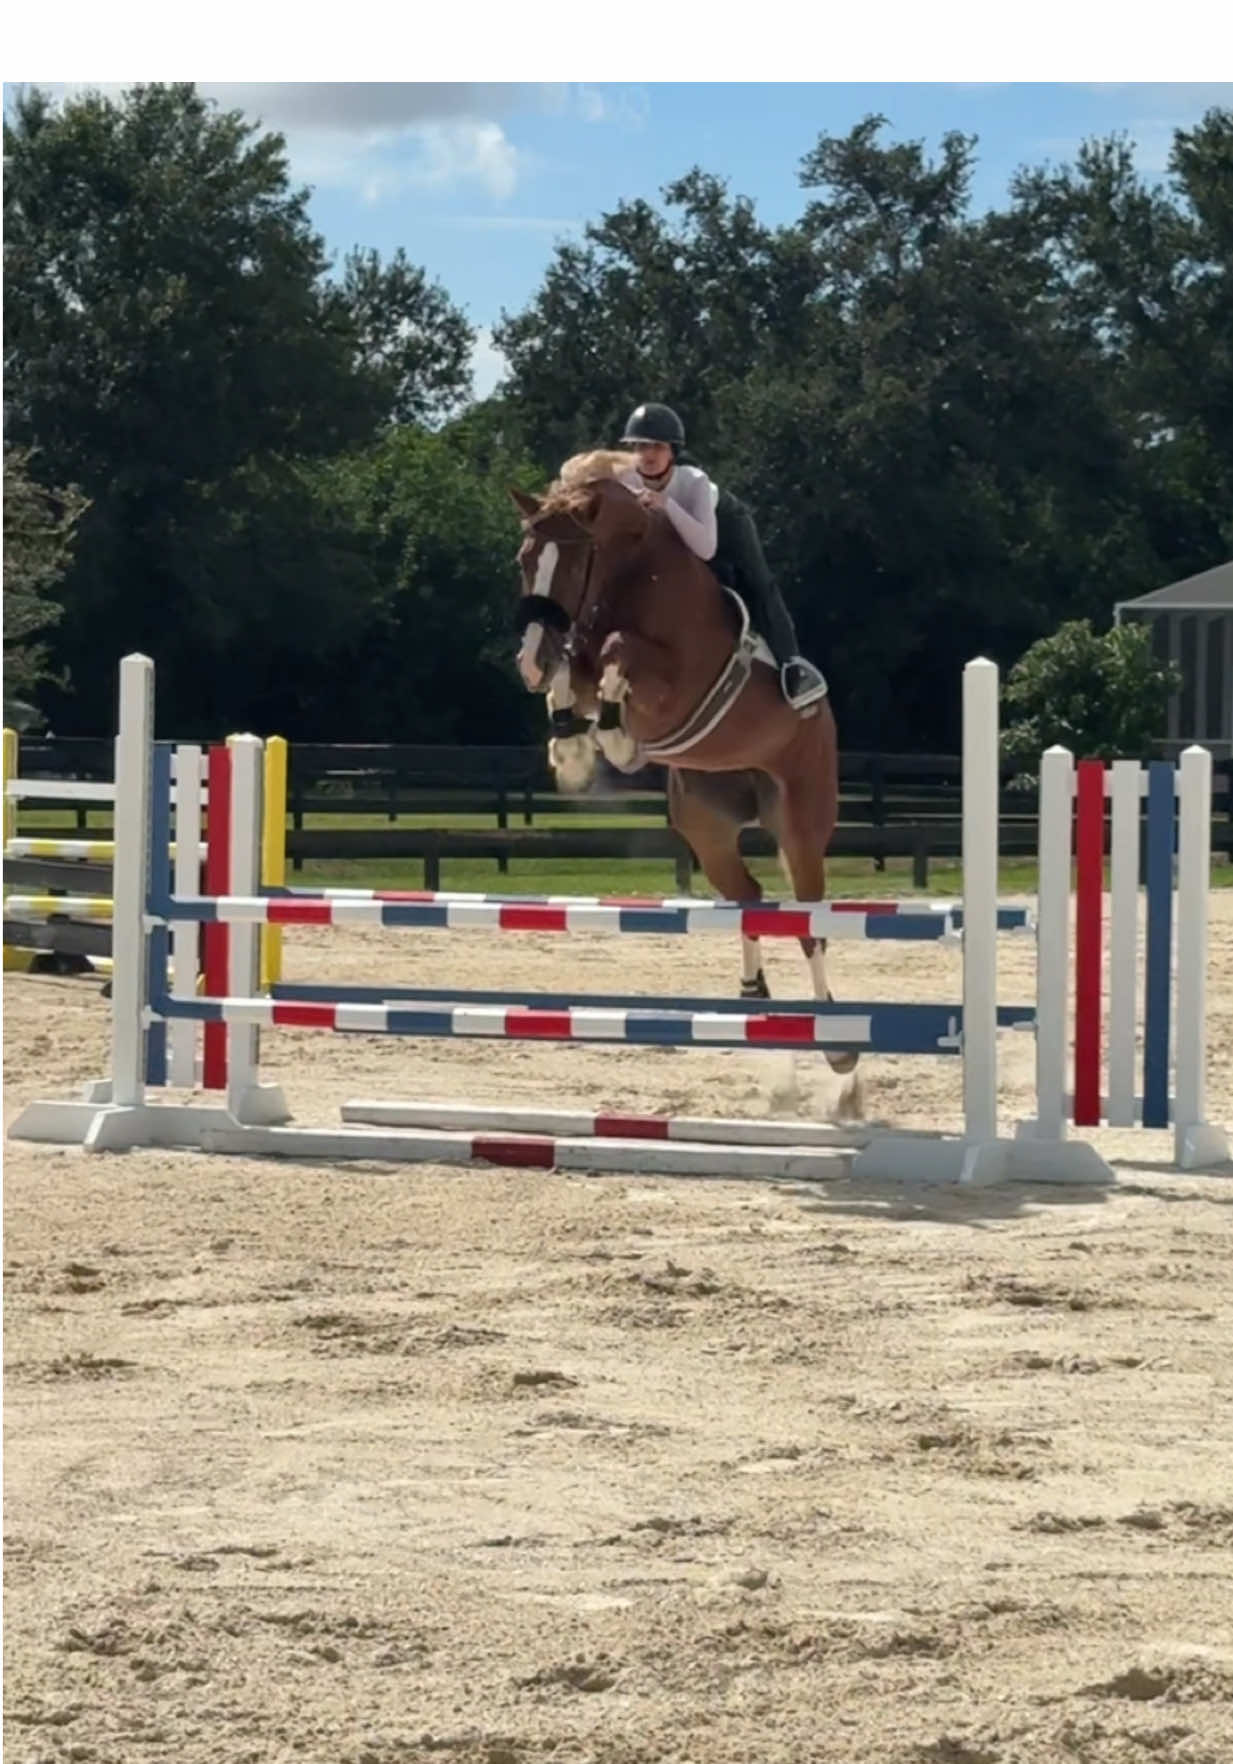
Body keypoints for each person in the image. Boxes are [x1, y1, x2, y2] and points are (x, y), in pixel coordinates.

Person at [617, 401, 828, 711]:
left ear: (672, 451)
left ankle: (792, 666)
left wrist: (665, 504)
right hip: (678, 535)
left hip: (725, 529)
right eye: (638, 446)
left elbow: (706, 548)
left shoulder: (695, 482)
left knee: (758, 583)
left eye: (656, 446)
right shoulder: (626, 481)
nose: (646, 455)